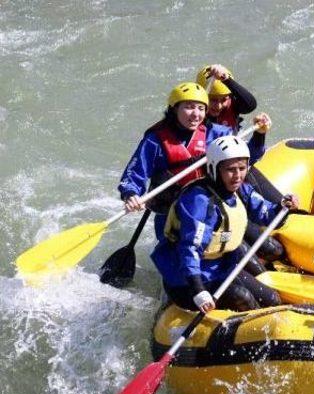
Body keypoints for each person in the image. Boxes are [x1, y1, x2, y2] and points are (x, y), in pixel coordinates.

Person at [151, 135, 300, 313]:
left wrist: (283, 207)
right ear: (214, 169)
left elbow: (266, 214)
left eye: (242, 168)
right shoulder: (199, 201)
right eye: (230, 169)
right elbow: (189, 250)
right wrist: (199, 291)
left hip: (219, 270)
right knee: (241, 296)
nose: (237, 175)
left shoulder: (240, 189)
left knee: (272, 299)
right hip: (186, 281)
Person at [117, 81, 271, 239]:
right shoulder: (155, 140)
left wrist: (260, 134)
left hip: (213, 208)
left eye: (201, 108)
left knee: (270, 248)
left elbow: (246, 158)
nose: (196, 114)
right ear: (174, 108)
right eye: (189, 107)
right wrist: (131, 195)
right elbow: (134, 173)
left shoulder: (217, 134)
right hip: (173, 215)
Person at [196, 64, 258, 133]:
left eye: (224, 100)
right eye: (213, 100)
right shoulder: (192, 110)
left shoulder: (233, 105)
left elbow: (251, 105)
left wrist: (226, 79)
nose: (218, 106)